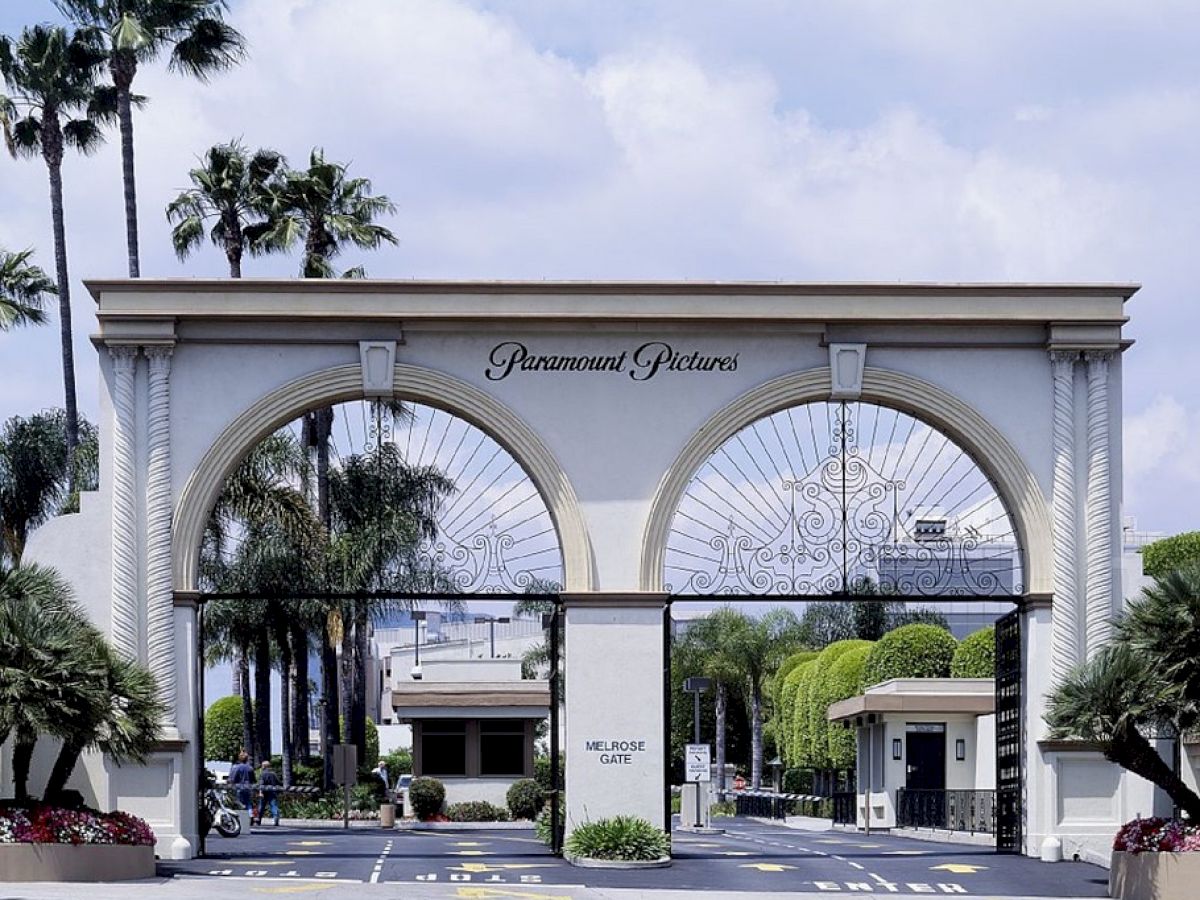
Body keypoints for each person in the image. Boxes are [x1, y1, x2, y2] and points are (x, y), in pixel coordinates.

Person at [255, 760, 280, 826]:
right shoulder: (274, 774)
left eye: (262, 765)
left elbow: (261, 784)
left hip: (264, 792)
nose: (261, 766)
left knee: (261, 807)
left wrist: (260, 792)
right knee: (274, 806)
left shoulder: (263, 774)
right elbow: (278, 782)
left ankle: (258, 820)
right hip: (272, 791)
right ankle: (276, 818)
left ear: (264, 766)